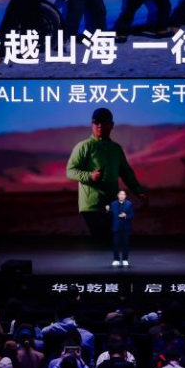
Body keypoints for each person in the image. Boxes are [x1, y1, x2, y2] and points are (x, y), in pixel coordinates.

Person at [67, 108, 148, 242]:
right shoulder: (84, 147)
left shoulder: (116, 149)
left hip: (112, 205)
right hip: (92, 206)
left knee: (112, 241)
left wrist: (139, 191)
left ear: (111, 125)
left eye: (103, 122)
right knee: (102, 240)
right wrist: (89, 176)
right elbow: (70, 171)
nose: (99, 125)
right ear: (92, 124)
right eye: (96, 122)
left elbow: (126, 173)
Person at [107, 190, 136, 268]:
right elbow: (111, 214)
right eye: (120, 194)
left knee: (125, 244)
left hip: (126, 227)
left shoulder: (129, 204)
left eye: (123, 194)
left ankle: (125, 259)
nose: (122, 196)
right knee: (116, 244)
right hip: (116, 227)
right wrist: (108, 210)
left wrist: (126, 215)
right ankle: (116, 260)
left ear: (125, 196)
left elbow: (132, 215)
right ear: (118, 195)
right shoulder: (113, 204)